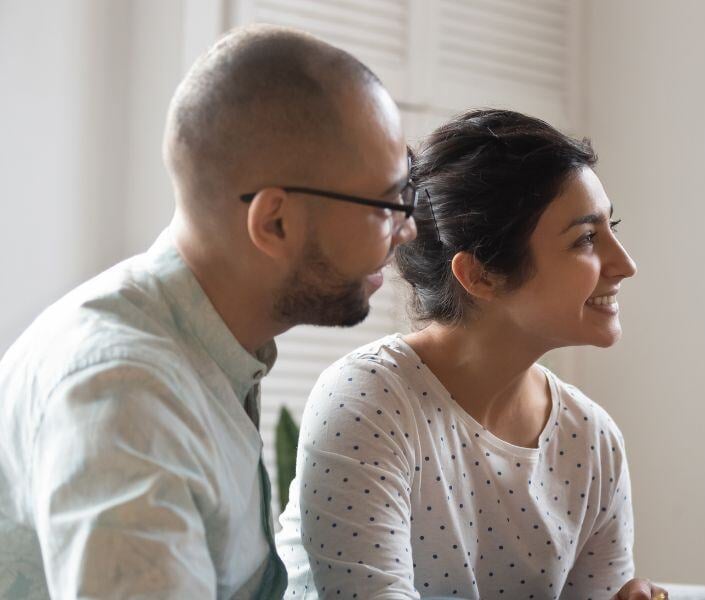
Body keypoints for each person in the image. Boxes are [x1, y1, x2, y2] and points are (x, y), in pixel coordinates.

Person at [0, 25, 416, 598]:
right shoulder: (126, 395)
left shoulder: (206, 352)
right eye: (386, 203)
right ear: (274, 223)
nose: (407, 227)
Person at [274, 109, 665, 600]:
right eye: (586, 238)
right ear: (480, 275)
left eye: (612, 227)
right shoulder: (369, 403)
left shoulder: (591, 440)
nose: (624, 263)